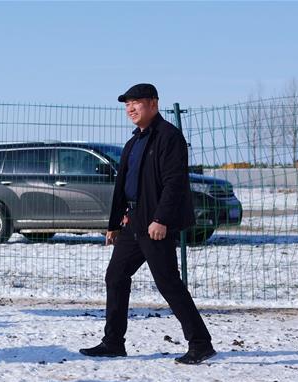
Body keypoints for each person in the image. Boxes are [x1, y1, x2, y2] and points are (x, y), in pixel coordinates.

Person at [79, 83, 216, 365]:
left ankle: (200, 343)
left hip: (154, 223)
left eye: (136, 103)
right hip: (133, 222)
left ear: (153, 103)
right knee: (115, 277)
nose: (130, 108)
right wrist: (116, 222)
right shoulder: (134, 142)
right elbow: (125, 185)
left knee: (168, 283)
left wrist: (161, 219)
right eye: (127, 104)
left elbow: (174, 183)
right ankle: (113, 342)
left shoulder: (168, 137)